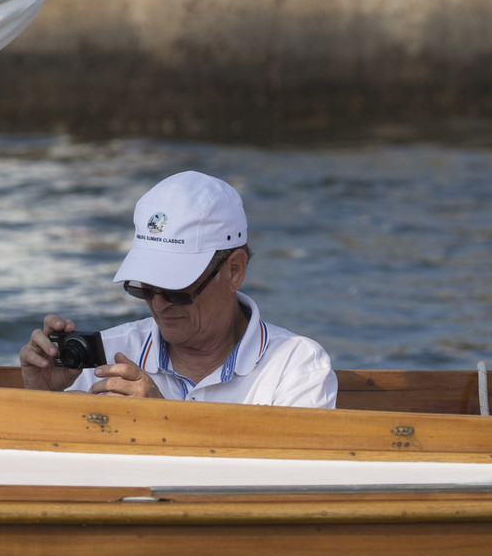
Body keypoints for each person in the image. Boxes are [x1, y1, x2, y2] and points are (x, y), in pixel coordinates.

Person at [21, 171, 337, 408]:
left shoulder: (297, 367)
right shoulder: (102, 354)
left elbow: (283, 487)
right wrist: (44, 398)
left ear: (234, 271)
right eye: (143, 287)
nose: (158, 304)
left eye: (175, 289)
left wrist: (167, 421)